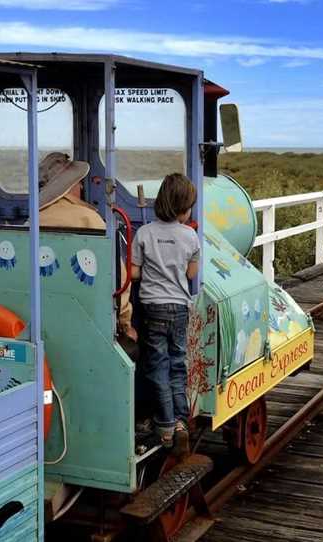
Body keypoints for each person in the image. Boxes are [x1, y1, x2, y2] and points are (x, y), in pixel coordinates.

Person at [131, 173, 200, 456]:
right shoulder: (191, 235)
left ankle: (167, 426)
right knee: (177, 363)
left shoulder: (144, 233)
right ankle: (182, 421)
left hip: (152, 307)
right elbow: (191, 273)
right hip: (179, 308)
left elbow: (133, 273)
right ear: (184, 208)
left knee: (157, 365)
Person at [37, 152, 135, 340]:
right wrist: (124, 322)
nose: (82, 185)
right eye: (77, 181)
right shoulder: (90, 219)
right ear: (69, 186)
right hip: (91, 317)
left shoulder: (32, 221)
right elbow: (118, 277)